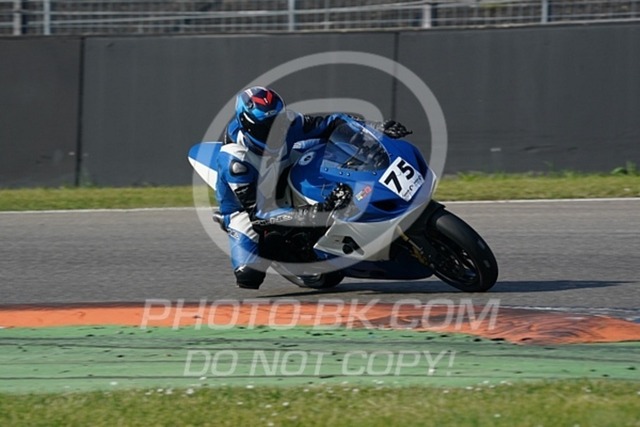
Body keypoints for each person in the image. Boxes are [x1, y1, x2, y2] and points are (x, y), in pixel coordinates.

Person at [214, 86, 412, 289]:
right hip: (248, 206)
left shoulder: (288, 123)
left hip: (283, 166)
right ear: (249, 126)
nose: (276, 130)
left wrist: (375, 128)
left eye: (278, 121)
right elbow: (260, 214)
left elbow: (331, 123)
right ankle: (286, 252)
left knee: (325, 143)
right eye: (268, 126)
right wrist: (317, 212)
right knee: (249, 276)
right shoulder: (236, 161)